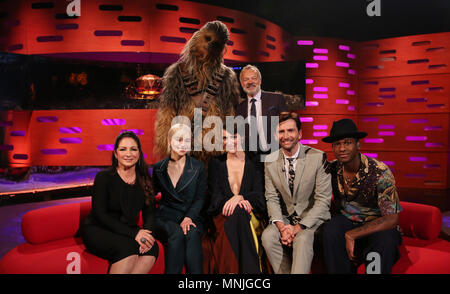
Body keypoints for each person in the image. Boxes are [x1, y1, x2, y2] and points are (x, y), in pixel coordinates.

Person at [321, 118, 402, 274]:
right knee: (330, 230)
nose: (342, 148)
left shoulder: (379, 172)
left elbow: (392, 219)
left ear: (358, 145)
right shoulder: (331, 169)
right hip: (347, 220)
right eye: (337, 144)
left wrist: (352, 235)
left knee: (385, 242)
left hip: (378, 223)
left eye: (348, 143)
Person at [261, 112, 332, 274]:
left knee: (302, 238)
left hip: (313, 220)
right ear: (275, 135)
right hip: (287, 219)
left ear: (300, 134)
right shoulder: (270, 160)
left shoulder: (318, 157)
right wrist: (281, 227)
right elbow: (271, 198)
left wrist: (298, 228)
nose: (286, 136)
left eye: (290, 131)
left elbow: (323, 201)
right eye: (281, 131)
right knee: (268, 237)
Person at [81, 131, 159, 274]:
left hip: (125, 230)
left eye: (133, 149)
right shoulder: (104, 177)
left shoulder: (145, 180)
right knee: (128, 248)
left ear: (139, 153)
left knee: (152, 248)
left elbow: (150, 215)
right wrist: (135, 233)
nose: (128, 154)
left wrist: (148, 236)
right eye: (123, 149)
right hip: (98, 229)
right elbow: (100, 214)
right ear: (116, 154)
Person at [206, 125, 267, 274]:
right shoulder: (216, 163)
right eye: (225, 138)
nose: (230, 142)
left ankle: (230, 272)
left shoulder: (254, 163)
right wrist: (234, 202)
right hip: (223, 215)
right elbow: (214, 199)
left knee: (240, 212)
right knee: (237, 212)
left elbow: (260, 198)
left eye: (234, 137)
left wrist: (241, 197)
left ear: (243, 138)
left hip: (251, 216)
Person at [152, 123, 206, 274]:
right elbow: (150, 195)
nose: (183, 144)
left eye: (187, 141)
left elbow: (200, 198)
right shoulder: (159, 168)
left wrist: (189, 217)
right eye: (179, 140)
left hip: (190, 215)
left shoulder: (198, 167)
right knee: (175, 232)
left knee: (192, 233)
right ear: (169, 141)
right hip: (166, 217)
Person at [235, 65, 289, 169]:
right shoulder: (239, 107)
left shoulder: (276, 99)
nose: (250, 82)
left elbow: (287, 125)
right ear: (242, 84)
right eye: (246, 79)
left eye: (254, 78)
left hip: (274, 157)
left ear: (260, 81)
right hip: (249, 160)